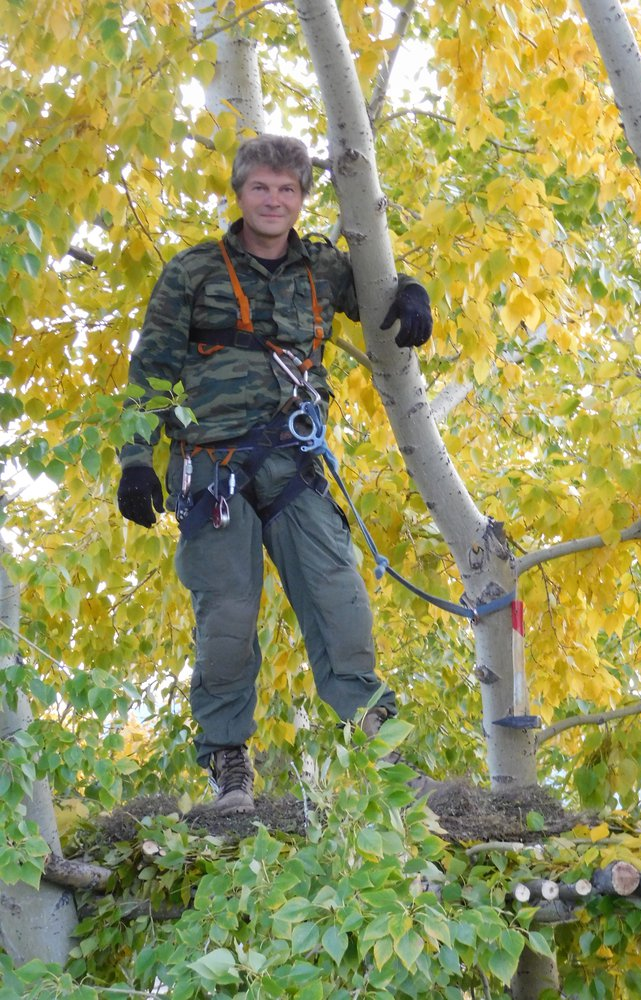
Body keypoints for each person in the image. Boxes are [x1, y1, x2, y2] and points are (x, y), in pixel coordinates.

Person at [116, 134, 433, 813]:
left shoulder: (322, 267)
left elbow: (378, 285)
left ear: (300, 199)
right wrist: (137, 459)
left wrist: (413, 293)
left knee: (340, 601)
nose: (273, 200)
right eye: (261, 187)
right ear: (240, 193)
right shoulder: (194, 271)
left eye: (287, 190)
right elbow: (151, 372)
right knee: (227, 624)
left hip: (295, 467)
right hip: (215, 473)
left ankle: (389, 751)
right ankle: (230, 769)